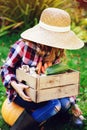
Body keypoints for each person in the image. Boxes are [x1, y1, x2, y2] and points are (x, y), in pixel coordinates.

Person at [1, 8, 84, 130]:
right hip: (24, 93)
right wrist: (15, 86)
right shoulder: (23, 46)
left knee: (65, 103)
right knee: (54, 104)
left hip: (46, 91)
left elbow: (60, 82)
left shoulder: (56, 50)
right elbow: (6, 68)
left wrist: (73, 103)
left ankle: (48, 121)